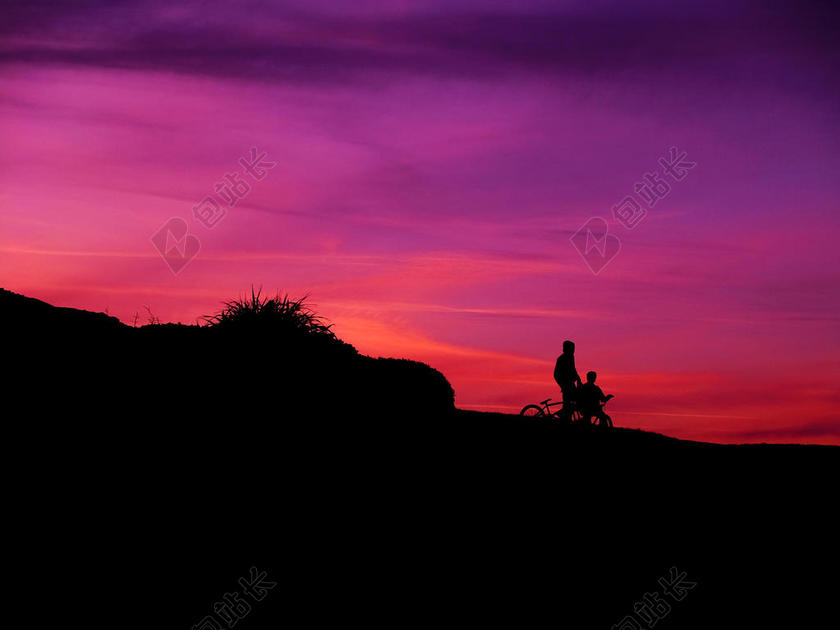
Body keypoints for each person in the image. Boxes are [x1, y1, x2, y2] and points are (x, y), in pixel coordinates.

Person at [553, 340, 581, 421]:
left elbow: (573, 369)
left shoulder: (571, 357)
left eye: (573, 349)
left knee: (574, 402)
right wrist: (562, 385)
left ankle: (564, 415)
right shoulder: (561, 359)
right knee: (569, 403)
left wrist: (578, 379)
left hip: (571, 384)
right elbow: (556, 374)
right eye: (572, 349)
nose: (573, 351)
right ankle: (563, 415)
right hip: (567, 385)